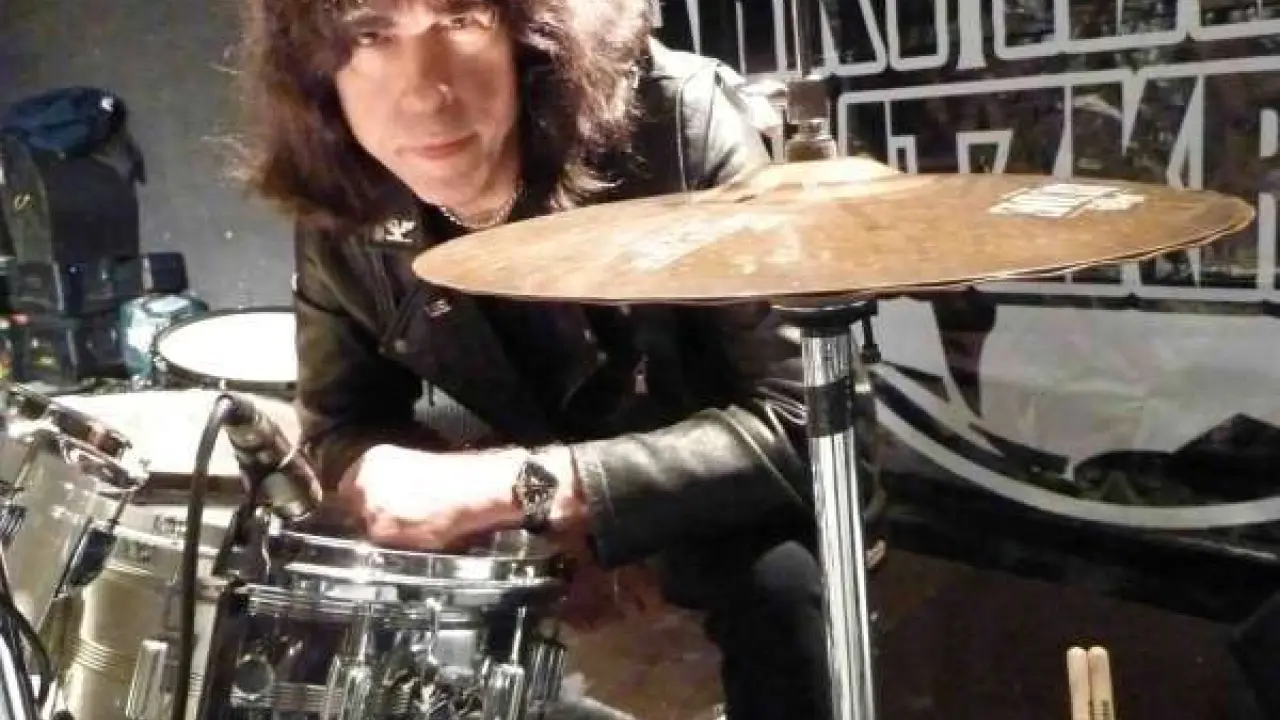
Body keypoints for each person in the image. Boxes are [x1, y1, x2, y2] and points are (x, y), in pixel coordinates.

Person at [234, 1, 880, 718]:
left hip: (709, 495)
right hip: (525, 511)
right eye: (372, 35)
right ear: (315, 65)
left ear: (529, 33)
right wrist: (441, 497)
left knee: (782, 584)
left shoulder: (676, 120)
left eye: (460, 21)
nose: (424, 93)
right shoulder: (346, 187)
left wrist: (545, 492)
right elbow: (341, 425)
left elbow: (812, 425)